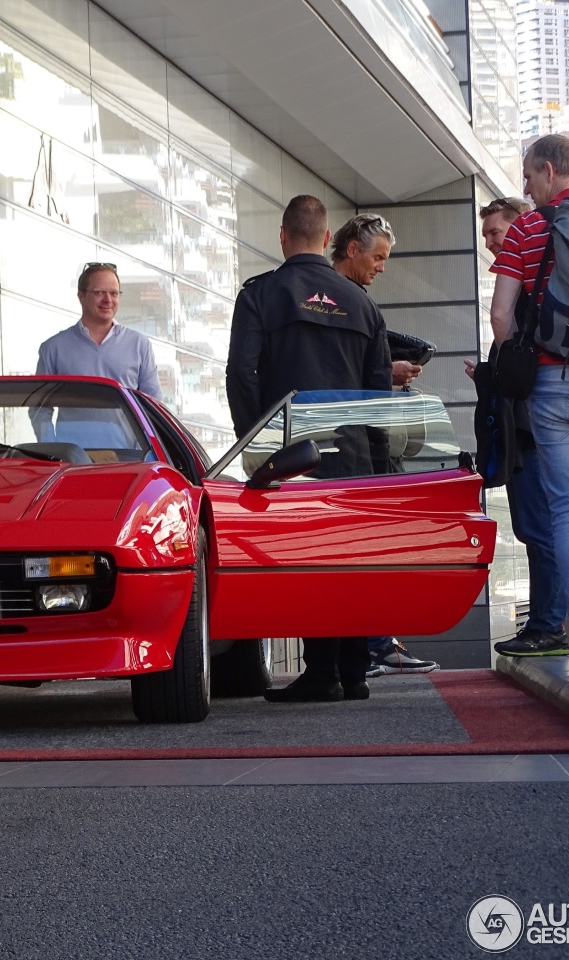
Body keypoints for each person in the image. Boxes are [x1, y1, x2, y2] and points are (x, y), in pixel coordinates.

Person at [226, 195, 391, 702]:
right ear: (326, 240)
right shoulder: (362, 303)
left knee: (310, 560)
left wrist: (257, 444)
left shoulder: (259, 296)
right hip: (355, 456)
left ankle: (321, 672)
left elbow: (241, 375)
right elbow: (379, 392)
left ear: (282, 236)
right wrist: (380, 467)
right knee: (352, 560)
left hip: (293, 455)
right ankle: (355, 673)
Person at [489, 135, 569, 675]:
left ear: (547, 169)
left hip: (552, 382)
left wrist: (516, 351)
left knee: (568, 512)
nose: (525, 187)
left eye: (527, 176)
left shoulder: (529, 227)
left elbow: (500, 317)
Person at [329, 214, 441, 677]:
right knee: (358, 551)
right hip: (346, 446)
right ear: (351, 248)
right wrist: (384, 373)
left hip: (344, 442)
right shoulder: (343, 302)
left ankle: (369, 647)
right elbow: (340, 376)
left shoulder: (350, 300)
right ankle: (367, 649)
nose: (382, 267)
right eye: (377, 257)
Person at [469, 198, 569, 659]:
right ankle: (552, 621)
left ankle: (549, 625)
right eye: (487, 234)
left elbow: (522, 363)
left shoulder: (523, 293)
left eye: (497, 231)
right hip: (530, 426)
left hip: (530, 429)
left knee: (539, 527)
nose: (491, 242)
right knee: (546, 527)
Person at [35, 262, 162, 397]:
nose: (108, 300)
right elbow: (40, 408)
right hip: (72, 420)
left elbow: (153, 403)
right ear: (81, 296)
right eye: (99, 293)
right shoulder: (53, 348)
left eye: (114, 293)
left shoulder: (139, 345)